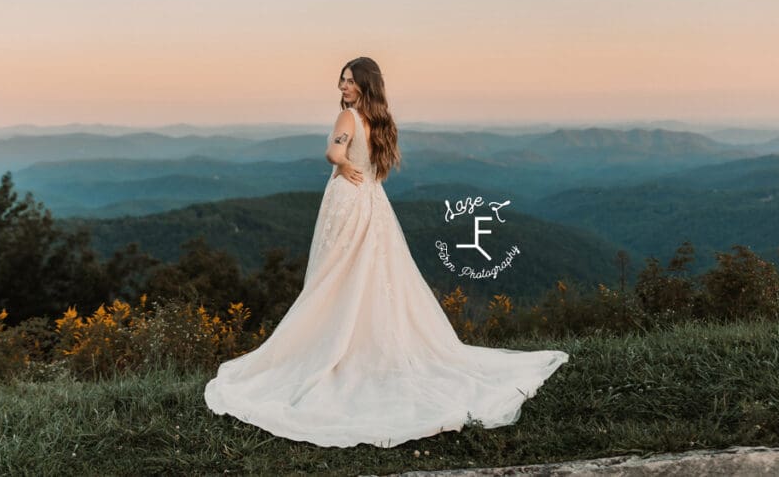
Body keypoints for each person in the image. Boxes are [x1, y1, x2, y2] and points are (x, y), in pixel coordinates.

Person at [204, 56, 567, 448]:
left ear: (363, 85)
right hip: (374, 203)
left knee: (333, 278)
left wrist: (341, 164)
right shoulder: (381, 122)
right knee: (372, 277)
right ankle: (360, 344)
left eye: (348, 81)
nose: (342, 87)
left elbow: (333, 153)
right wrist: (348, 164)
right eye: (341, 80)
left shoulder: (348, 118)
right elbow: (376, 166)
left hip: (348, 201)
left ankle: (337, 346)